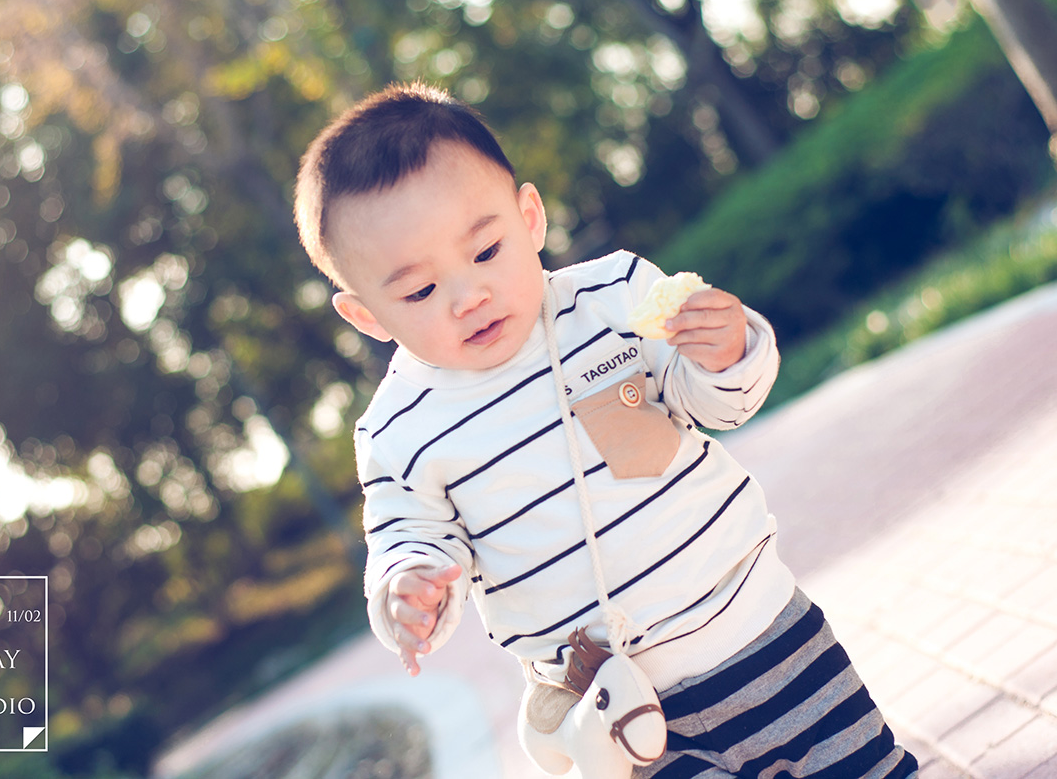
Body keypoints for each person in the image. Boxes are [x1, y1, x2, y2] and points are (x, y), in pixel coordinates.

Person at [293, 81, 918, 778]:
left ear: (529, 218)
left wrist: (726, 352)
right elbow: (409, 536)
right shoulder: (399, 430)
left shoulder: (613, 298)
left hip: (763, 632)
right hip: (623, 715)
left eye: (486, 250)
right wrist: (409, 592)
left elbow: (717, 401)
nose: (469, 295)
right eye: (418, 291)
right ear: (367, 316)